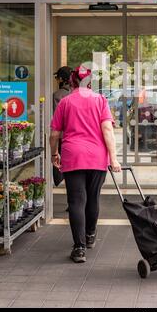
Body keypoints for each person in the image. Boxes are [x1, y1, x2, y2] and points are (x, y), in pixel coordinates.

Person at [50, 64, 122, 263]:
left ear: (72, 81)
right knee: (93, 198)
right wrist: (113, 158)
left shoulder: (65, 102)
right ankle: (90, 235)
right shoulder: (100, 100)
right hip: (97, 157)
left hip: (72, 156)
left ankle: (79, 248)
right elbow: (107, 129)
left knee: (76, 201)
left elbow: (55, 134)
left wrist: (54, 153)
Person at [52, 66, 72, 187]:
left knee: (60, 160)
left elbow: (56, 118)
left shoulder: (58, 95)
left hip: (63, 136)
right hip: (76, 136)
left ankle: (60, 179)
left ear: (60, 79)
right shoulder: (78, 93)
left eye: (56, 77)